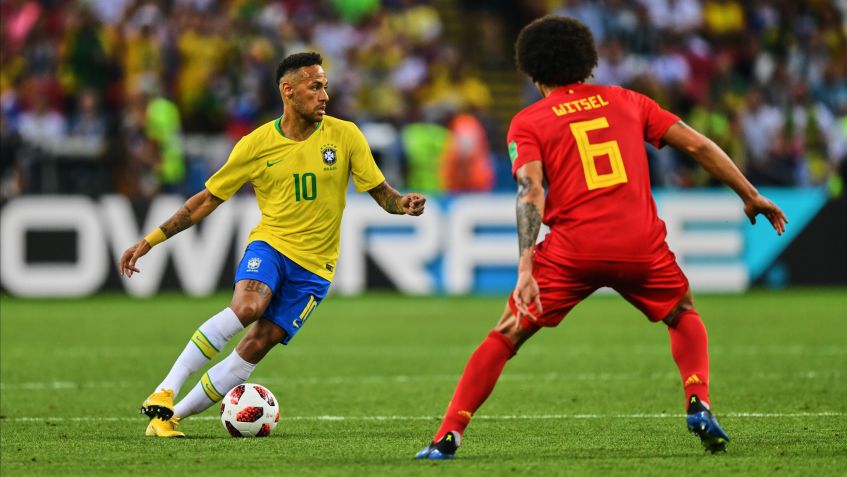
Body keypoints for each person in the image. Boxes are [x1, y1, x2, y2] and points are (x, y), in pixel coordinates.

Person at [415, 16, 787, 459]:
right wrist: (750, 194)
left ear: (532, 72)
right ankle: (698, 401)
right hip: (640, 245)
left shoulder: (528, 121)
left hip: (574, 251)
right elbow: (698, 145)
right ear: (587, 63)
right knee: (682, 312)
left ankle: (448, 436)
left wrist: (526, 267)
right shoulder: (629, 100)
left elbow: (530, 190)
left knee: (506, 334)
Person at [119, 52, 426, 437]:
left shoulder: (346, 135)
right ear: (288, 90)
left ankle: (169, 418)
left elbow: (381, 193)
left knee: (256, 345)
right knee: (248, 306)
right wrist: (150, 240)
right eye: (315, 87)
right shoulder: (256, 144)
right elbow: (206, 200)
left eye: (325, 87)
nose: (325, 96)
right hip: (272, 245)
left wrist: (402, 203)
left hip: (316, 268)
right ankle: (166, 389)